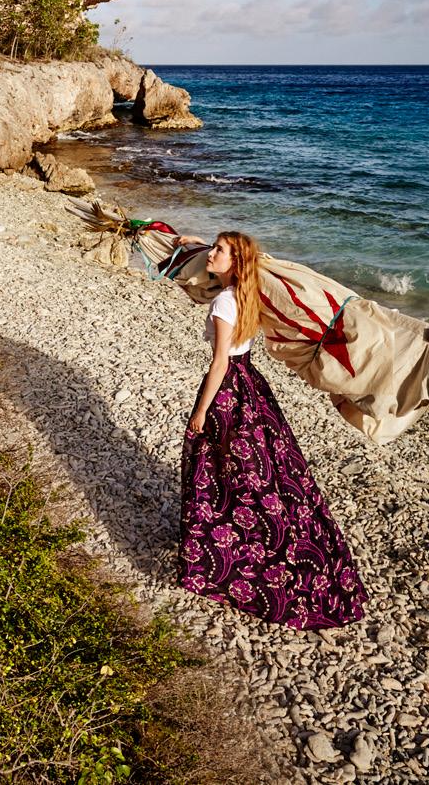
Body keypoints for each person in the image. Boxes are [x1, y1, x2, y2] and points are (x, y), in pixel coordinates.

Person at [175, 229, 367, 629]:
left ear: (235, 262)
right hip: (252, 385)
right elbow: (258, 262)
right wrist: (190, 241)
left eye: (219, 250)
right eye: (212, 247)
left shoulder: (224, 304)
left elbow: (220, 364)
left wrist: (201, 409)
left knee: (217, 464)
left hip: (228, 388)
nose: (211, 254)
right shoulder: (249, 293)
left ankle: (224, 554)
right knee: (264, 467)